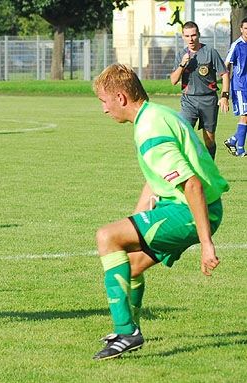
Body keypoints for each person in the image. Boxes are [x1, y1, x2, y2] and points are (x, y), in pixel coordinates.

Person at [92, 64, 229, 360]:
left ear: (121, 98)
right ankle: (130, 328)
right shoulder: (157, 114)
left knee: (106, 236)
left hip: (191, 210)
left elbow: (191, 184)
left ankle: (126, 332)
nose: (104, 109)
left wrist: (206, 243)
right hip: (193, 206)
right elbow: (157, 177)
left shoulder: (149, 129)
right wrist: (136, 218)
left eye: (104, 101)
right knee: (131, 265)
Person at [169, 21, 229, 159]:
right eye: (187, 36)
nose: (190, 39)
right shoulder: (181, 55)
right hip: (189, 100)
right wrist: (182, 65)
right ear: (183, 37)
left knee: (209, 139)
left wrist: (225, 96)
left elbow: (224, 74)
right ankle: (188, 167)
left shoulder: (210, 52)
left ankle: (209, 167)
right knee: (183, 133)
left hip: (208, 100)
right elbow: (173, 80)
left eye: (193, 35)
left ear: (199, 35)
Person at [224, 17, 247, 157]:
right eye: (246, 28)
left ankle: (233, 141)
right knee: (245, 116)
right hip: (240, 87)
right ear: (241, 29)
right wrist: (225, 84)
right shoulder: (237, 45)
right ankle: (240, 149)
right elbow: (226, 64)